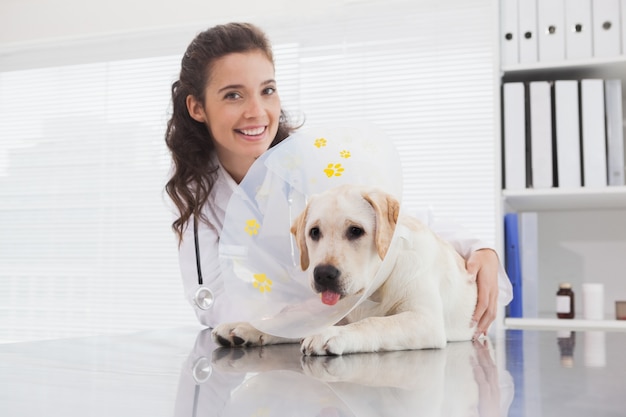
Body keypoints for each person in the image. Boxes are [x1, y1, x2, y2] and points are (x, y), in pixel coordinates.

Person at [165, 22, 511, 339]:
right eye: (233, 95)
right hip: (292, 348)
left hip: (341, 340)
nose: (257, 111)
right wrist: (296, 317)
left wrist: (480, 247)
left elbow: (398, 217)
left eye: (267, 90)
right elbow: (211, 303)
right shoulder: (196, 194)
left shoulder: (312, 162)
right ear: (197, 107)